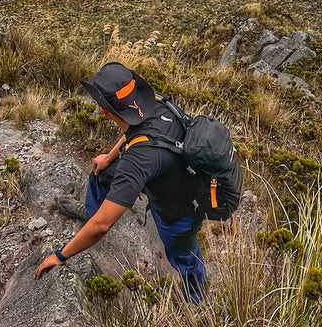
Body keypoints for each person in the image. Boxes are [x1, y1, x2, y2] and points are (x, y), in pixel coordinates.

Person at [34, 61, 206, 302]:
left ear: (104, 110)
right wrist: (108, 158)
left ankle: (196, 300)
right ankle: (90, 211)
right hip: (166, 167)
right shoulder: (153, 101)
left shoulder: (136, 162)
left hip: (178, 205)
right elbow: (135, 130)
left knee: (183, 253)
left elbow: (102, 226)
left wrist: (60, 256)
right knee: (102, 173)